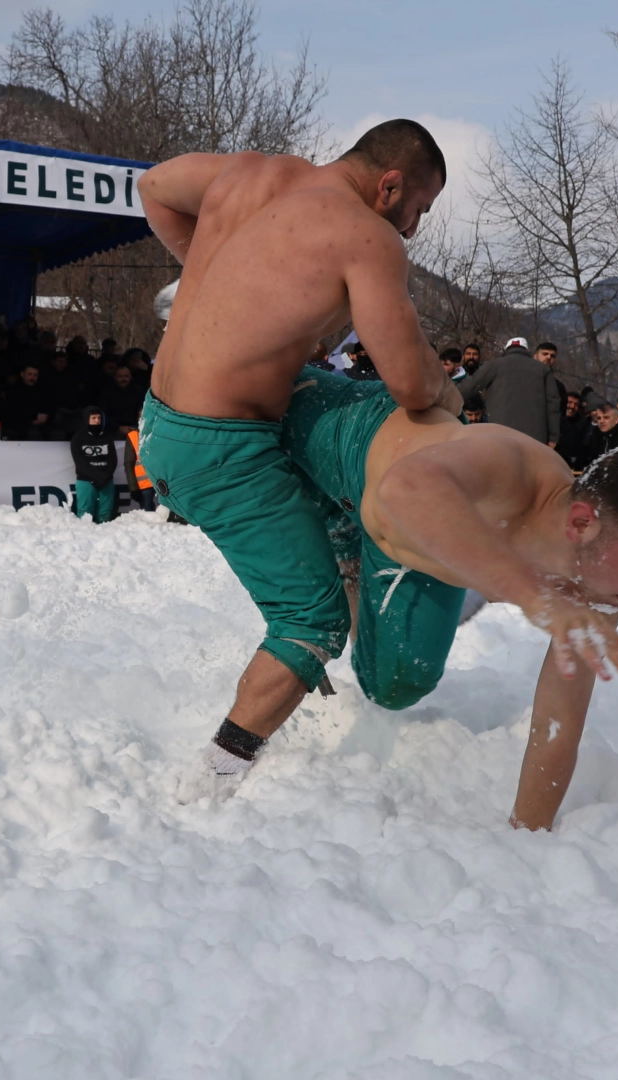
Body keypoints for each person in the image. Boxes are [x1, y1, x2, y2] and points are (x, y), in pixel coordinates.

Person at [192, 364, 618, 830]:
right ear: (583, 522)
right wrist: (529, 591)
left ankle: (356, 557)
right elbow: (406, 491)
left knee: (396, 686)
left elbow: (559, 721)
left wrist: (527, 838)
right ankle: (211, 780)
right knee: (311, 623)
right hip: (343, 437)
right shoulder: (508, 468)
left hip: (409, 539)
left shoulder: (603, 590)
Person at [137, 118, 460, 764]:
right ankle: (215, 777)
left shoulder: (252, 172)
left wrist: (223, 282)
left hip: (161, 415)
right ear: (390, 185)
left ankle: (335, 570)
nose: (415, 229)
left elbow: (153, 187)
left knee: (330, 467)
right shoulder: (366, 237)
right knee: (310, 619)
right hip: (222, 445)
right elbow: (410, 385)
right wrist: (453, 399)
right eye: (419, 208)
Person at [455, 336, 563, 447]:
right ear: (526, 350)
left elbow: (469, 387)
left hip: (500, 435)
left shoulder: (493, 365)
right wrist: (553, 437)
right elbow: (553, 403)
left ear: (507, 350)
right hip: (535, 438)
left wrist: (446, 395)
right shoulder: (543, 369)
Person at [71, 406, 118, 523]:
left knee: (105, 515)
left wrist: (105, 477)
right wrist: (95, 477)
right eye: (93, 418)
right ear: (87, 419)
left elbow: (113, 460)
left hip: (106, 481)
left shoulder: (107, 437)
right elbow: (80, 463)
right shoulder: (78, 439)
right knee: (85, 515)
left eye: (99, 418)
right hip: (86, 481)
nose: (97, 421)